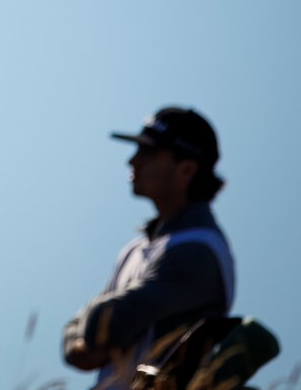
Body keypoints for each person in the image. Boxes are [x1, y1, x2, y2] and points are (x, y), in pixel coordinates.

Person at [62, 107, 234, 390]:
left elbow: (98, 326)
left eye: (149, 152)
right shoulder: (138, 247)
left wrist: (97, 333)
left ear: (186, 169)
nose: (133, 160)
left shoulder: (199, 250)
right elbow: (74, 338)